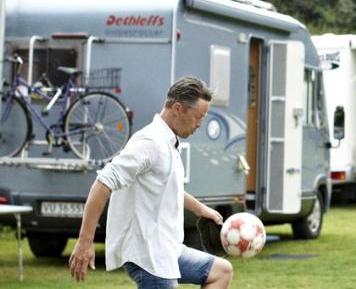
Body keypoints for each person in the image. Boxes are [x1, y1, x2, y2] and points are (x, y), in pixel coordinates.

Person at [69, 76, 234, 288]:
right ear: (177, 109)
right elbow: (103, 182)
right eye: (197, 117)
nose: (200, 125)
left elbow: (167, 188)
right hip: (149, 255)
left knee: (221, 272)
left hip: (167, 249)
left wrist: (202, 210)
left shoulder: (167, 142)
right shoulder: (150, 143)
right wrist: (84, 242)